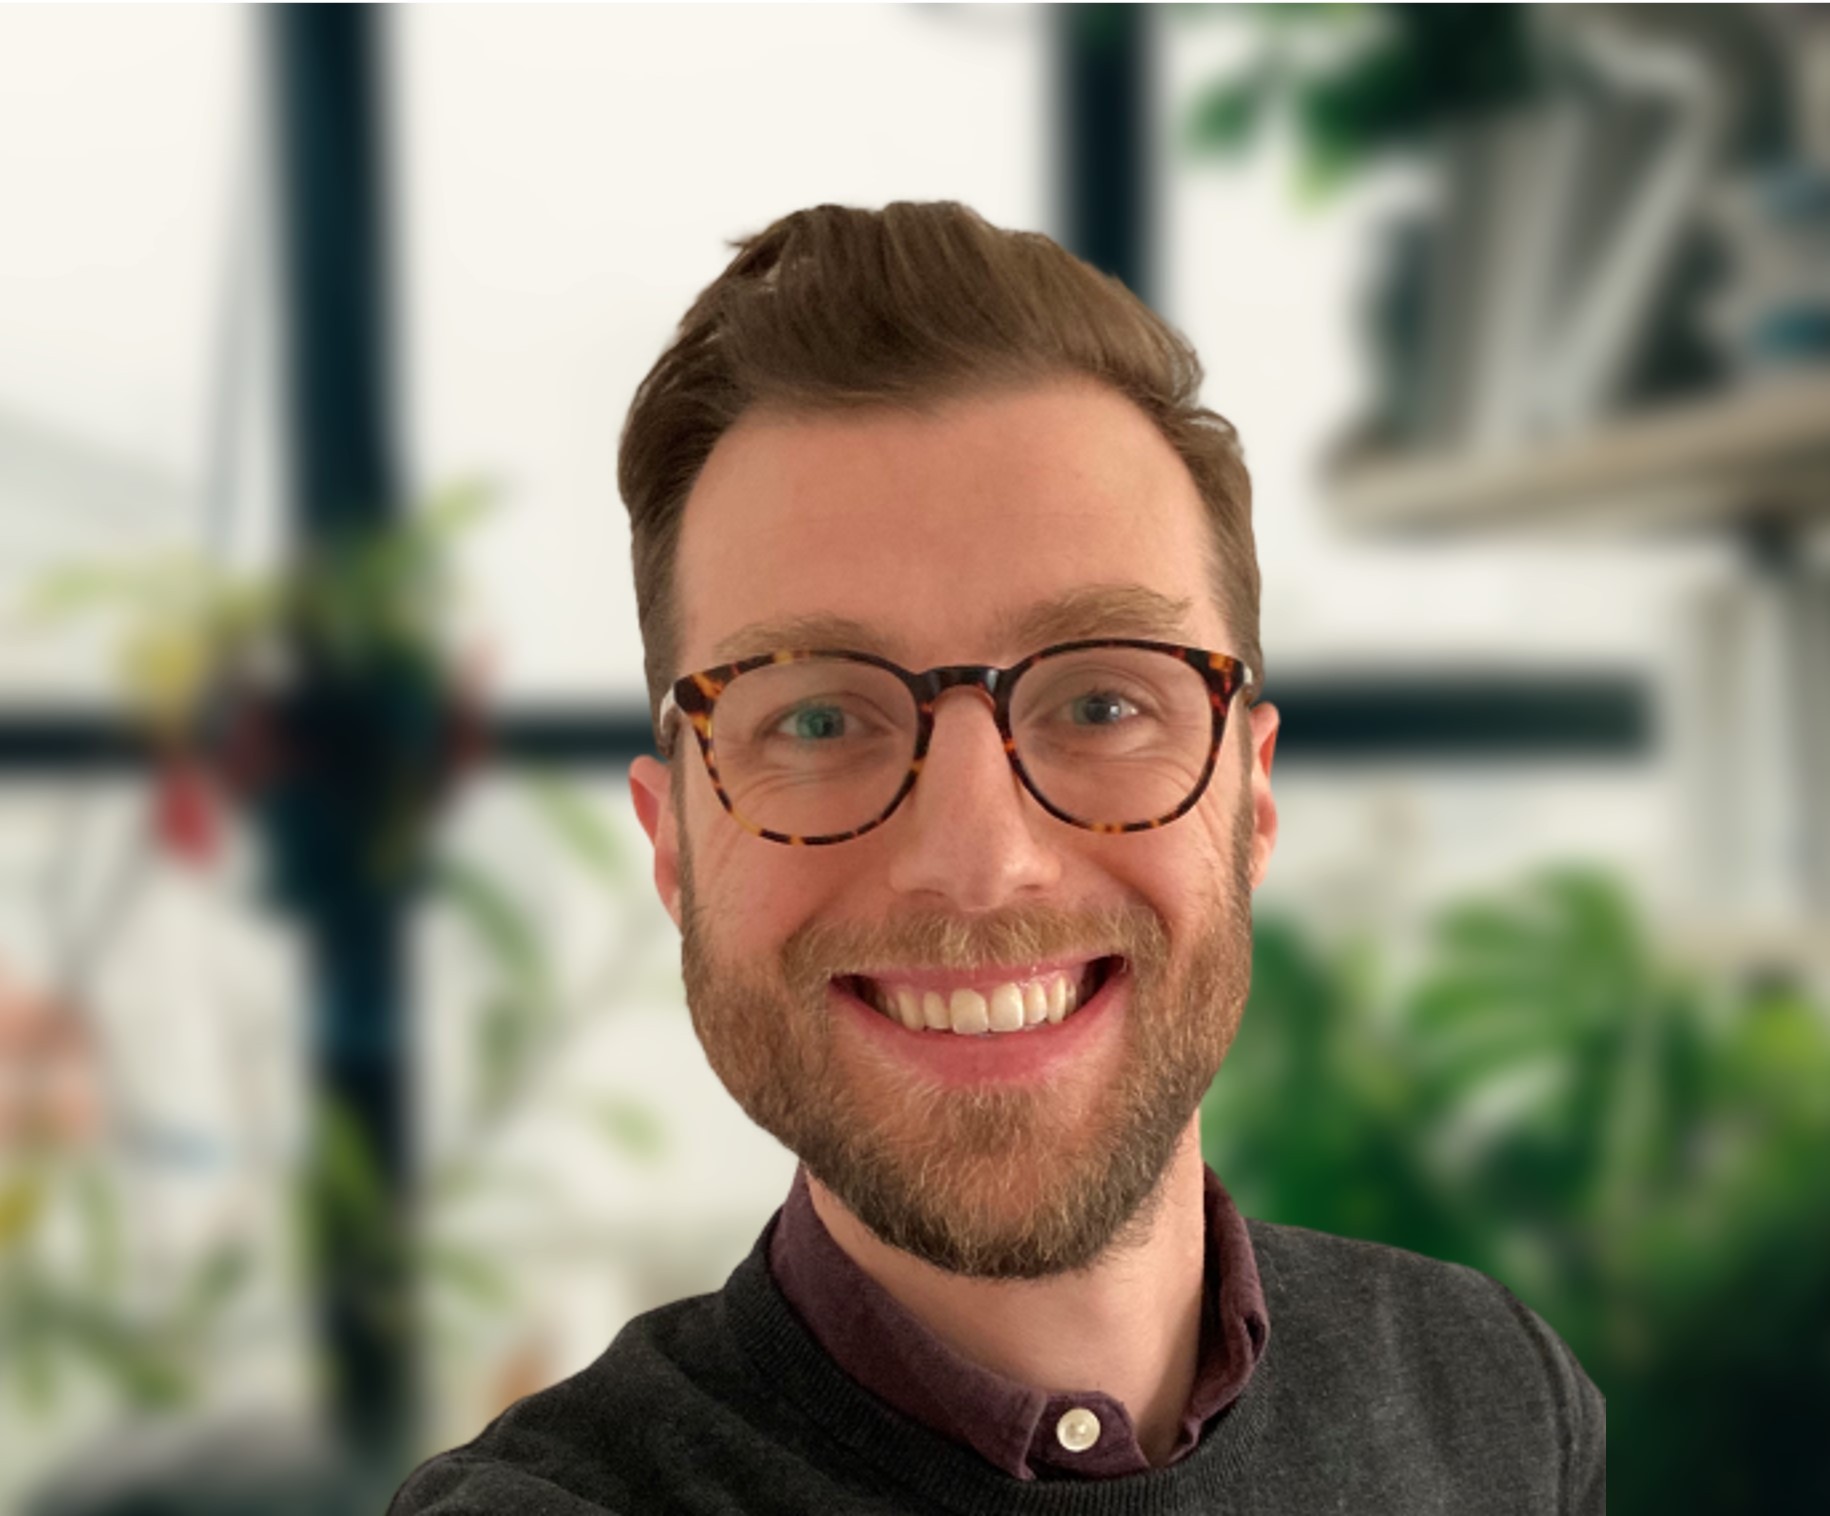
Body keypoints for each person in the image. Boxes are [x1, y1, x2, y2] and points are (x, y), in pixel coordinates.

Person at [391, 201, 1605, 1514]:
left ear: (1250, 800)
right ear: (673, 846)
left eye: (1102, 703)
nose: (979, 862)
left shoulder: (1495, 1393)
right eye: (816, 719)